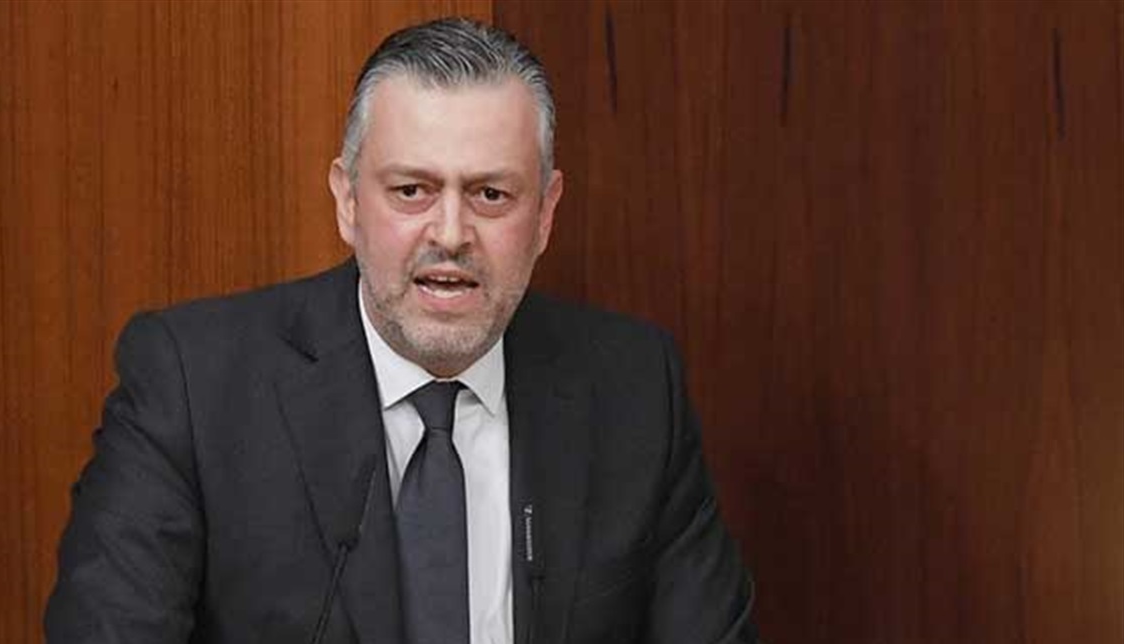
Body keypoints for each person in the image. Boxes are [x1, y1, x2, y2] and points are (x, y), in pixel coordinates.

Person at [45, 17, 757, 644]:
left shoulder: (635, 391)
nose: (450, 234)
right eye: (411, 191)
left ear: (545, 214)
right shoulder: (193, 388)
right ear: (348, 201)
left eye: (491, 194)